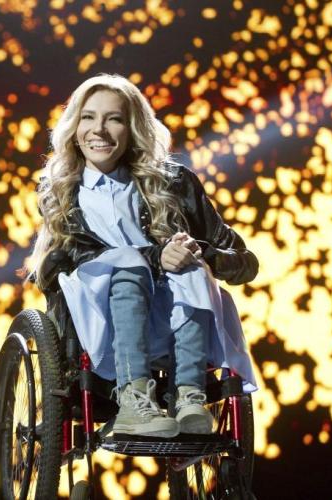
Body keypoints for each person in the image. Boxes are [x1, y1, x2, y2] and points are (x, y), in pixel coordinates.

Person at [29, 74, 259, 438]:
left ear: (132, 128)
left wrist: (199, 253)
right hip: (96, 317)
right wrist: (155, 256)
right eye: (88, 117)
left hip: (166, 312)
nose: (98, 130)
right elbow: (73, 254)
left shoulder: (174, 183)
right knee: (129, 267)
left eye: (114, 119)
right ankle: (133, 397)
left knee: (191, 268)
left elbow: (244, 260)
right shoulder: (59, 189)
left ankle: (188, 396)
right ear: (74, 127)